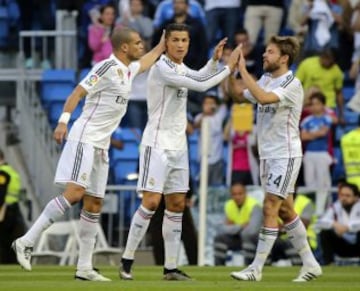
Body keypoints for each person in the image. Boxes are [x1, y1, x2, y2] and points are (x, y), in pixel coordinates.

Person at [12, 27, 165, 281]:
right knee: (75, 193)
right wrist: (63, 121)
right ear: (124, 47)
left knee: (94, 204)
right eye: (137, 43)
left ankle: (84, 267)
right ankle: (26, 241)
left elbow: (146, 62)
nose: (141, 46)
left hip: (101, 146)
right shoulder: (105, 67)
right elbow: (77, 93)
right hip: (84, 137)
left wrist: (160, 47)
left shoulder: (128, 70)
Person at [119, 23, 241, 281]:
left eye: (185, 40)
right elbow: (200, 86)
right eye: (175, 40)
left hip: (179, 146)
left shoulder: (180, 68)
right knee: (151, 202)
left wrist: (213, 62)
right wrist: (228, 68)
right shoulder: (162, 67)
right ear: (166, 42)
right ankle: (126, 260)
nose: (181, 45)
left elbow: (197, 78)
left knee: (177, 205)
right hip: (156, 143)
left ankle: (171, 268)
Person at [228, 35, 322, 282]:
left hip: (285, 154)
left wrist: (242, 69)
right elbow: (238, 96)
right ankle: (311, 264)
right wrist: (228, 71)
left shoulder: (292, 84)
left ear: (284, 58)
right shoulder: (266, 79)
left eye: (269, 52)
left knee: (270, 206)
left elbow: (264, 98)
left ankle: (255, 268)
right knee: (287, 211)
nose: (263, 55)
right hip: (267, 155)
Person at [214, 182, 262, 265]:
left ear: (245, 193)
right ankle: (219, 268)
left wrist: (232, 226)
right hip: (237, 237)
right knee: (219, 238)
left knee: (247, 235)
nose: (237, 197)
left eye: (240, 194)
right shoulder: (228, 205)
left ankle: (249, 267)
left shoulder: (254, 206)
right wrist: (241, 226)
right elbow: (220, 228)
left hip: (256, 239)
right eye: (234, 194)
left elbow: (252, 231)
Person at [316, 181, 360, 265]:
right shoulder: (336, 206)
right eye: (342, 195)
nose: (344, 198)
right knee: (324, 233)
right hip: (343, 244)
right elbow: (320, 222)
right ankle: (328, 264)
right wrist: (334, 224)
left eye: (347, 196)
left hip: (357, 244)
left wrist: (348, 227)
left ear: (356, 197)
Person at [0, 148, 25, 264]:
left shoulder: (2, 173)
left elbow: (1, 194)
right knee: (11, 241)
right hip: (13, 210)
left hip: (4, 211)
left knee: (3, 242)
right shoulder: (11, 171)